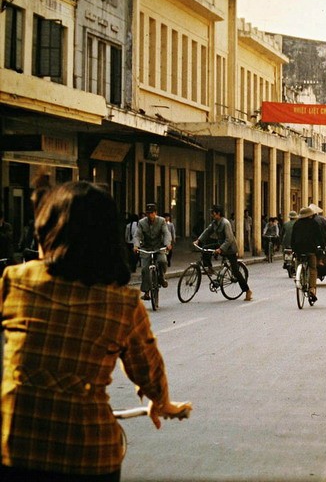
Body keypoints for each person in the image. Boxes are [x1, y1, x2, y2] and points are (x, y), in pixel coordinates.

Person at [0, 181, 190, 481]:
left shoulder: (15, 280)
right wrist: (162, 402)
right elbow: (149, 371)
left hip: (17, 446)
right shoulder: (123, 303)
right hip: (90, 453)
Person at [196, 205, 252, 301]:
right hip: (220, 245)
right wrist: (198, 240)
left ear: (218, 214)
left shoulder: (225, 223)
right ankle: (209, 268)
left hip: (230, 248)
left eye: (213, 213)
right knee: (205, 249)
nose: (212, 215)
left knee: (235, 271)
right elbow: (207, 231)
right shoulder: (215, 223)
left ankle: (247, 291)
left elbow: (229, 239)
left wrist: (221, 249)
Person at [134, 203, 171, 301]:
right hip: (146, 248)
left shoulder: (162, 221)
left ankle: (162, 278)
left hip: (158, 248)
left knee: (163, 261)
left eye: (152, 213)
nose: (150, 215)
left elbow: (166, 233)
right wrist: (136, 245)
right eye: (148, 213)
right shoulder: (142, 223)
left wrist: (167, 244)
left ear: (156, 213)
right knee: (145, 269)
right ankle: (146, 292)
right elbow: (137, 235)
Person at [291, 206, 326, 303]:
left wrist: (294, 249)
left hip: (298, 249)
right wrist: (322, 246)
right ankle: (311, 289)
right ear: (310, 215)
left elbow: (293, 238)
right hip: (310, 250)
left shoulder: (297, 224)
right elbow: (320, 237)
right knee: (313, 269)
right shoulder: (314, 223)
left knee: (298, 262)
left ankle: (298, 276)